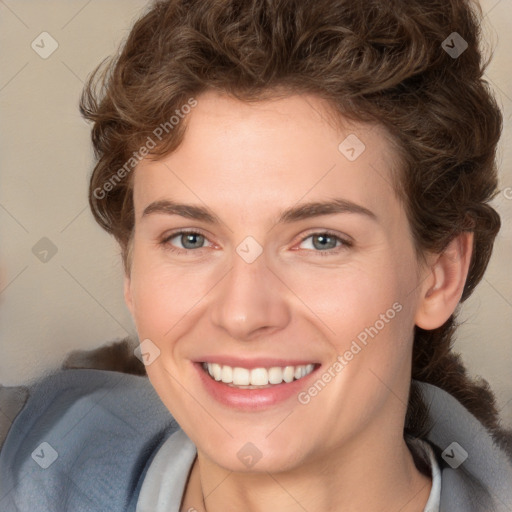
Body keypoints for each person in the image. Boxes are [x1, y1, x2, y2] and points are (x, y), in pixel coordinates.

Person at [1, 0, 511, 510]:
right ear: (130, 269)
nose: (242, 313)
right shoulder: (23, 463)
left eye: (321, 241)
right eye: (190, 239)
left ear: (441, 275)